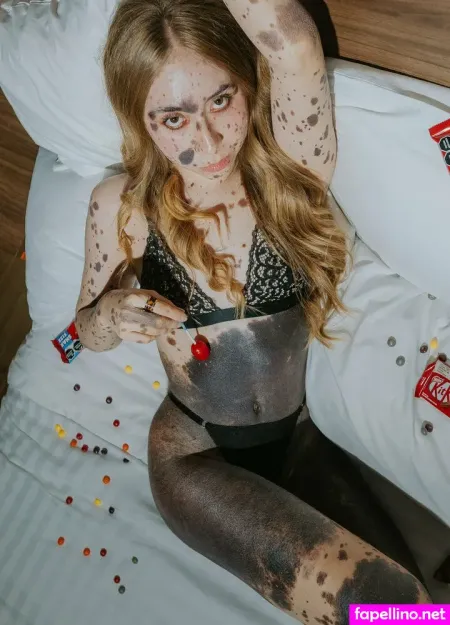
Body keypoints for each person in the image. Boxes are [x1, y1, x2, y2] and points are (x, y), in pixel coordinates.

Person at [75, 0, 430, 621]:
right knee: (389, 607)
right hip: (196, 456)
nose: (208, 139)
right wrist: (110, 315)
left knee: (414, 599)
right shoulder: (123, 207)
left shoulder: (288, 170)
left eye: (221, 100)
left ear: (245, 81)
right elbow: (83, 332)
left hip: (302, 438)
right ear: (140, 119)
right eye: (174, 118)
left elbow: (293, 43)